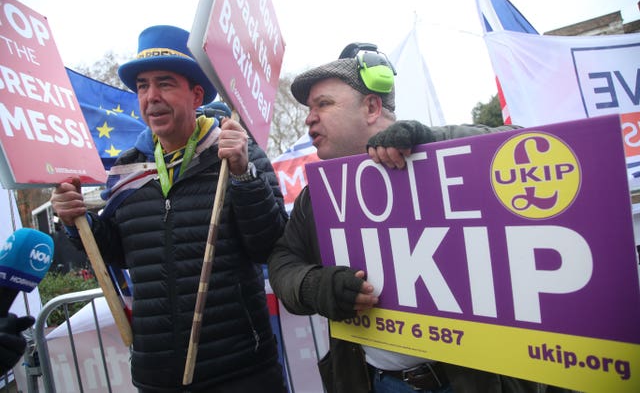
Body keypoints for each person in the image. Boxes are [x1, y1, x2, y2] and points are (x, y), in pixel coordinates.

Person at [267, 45, 566, 393]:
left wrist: (434, 145)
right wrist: (313, 286)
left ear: (371, 107)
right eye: (309, 108)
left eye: (323, 104)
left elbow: (529, 147)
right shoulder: (317, 195)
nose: (309, 118)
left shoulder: (441, 150)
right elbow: (283, 259)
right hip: (373, 381)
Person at [50, 25, 288, 393]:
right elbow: (121, 253)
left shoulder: (239, 154)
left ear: (195, 94)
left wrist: (243, 175)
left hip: (242, 372)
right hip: (157, 376)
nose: (152, 96)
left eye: (165, 83)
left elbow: (269, 245)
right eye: (143, 86)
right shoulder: (128, 169)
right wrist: (76, 221)